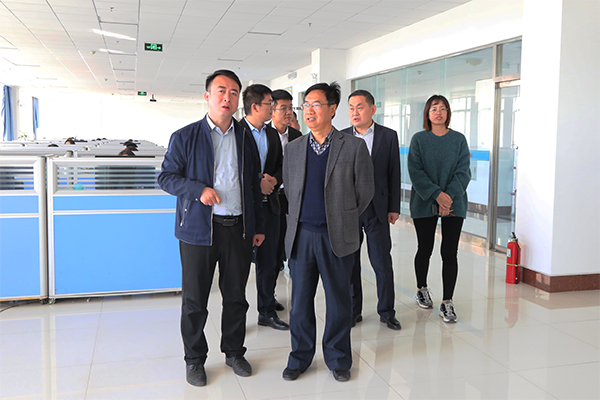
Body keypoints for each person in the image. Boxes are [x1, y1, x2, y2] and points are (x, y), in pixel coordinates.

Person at [158, 69, 265, 387]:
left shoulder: (245, 137)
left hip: (237, 229)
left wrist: (257, 225)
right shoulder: (185, 136)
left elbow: (253, 184)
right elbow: (166, 178)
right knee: (195, 301)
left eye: (233, 92)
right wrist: (198, 190)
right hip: (198, 230)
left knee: (236, 297)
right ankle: (194, 359)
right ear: (207, 95)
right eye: (221, 91)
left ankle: (234, 352)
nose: (227, 97)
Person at [282, 82, 374, 383]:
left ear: (332, 109)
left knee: (338, 302)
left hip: (337, 236)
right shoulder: (294, 149)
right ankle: (300, 357)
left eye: (316, 104)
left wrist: (342, 217)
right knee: (299, 304)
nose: (309, 110)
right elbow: (290, 192)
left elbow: (365, 191)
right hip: (301, 237)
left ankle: (338, 358)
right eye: (306, 105)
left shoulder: (353, 147)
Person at [407, 94, 471, 323]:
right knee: (425, 248)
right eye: (434, 108)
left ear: (448, 113)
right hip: (424, 200)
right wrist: (437, 195)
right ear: (427, 113)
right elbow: (415, 172)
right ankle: (421, 288)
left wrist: (448, 197)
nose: (438, 112)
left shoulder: (459, 139)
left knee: (449, 252)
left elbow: (464, 171)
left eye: (443, 108)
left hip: (455, 201)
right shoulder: (419, 139)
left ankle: (447, 302)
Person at [341, 90, 401, 331]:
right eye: (351, 108)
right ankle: (353, 310)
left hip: (378, 208)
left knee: (381, 262)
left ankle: (387, 311)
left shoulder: (388, 136)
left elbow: (394, 173)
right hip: (350, 209)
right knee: (350, 263)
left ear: (372, 109)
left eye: (360, 107)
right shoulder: (342, 137)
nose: (355, 112)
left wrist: (394, 207)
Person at [239, 84, 289, 331]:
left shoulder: (271, 134)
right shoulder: (236, 132)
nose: (273, 108)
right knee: (239, 264)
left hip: (270, 206)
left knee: (270, 260)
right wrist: (257, 181)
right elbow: (233, 168)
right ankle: (237, 315)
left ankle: (266, 309)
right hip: (243, 209)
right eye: (270, 103)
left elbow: (281, 165)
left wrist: (273, 180)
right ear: (255, 106)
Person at [271, 89, 302, 273]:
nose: (288, 112)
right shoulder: (264, 134)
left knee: (291, 237)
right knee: (272, 240)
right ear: (272, 110)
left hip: (291, 197)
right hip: (270, 196)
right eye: (283, 108)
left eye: (290, 108)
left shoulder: (297, 136)